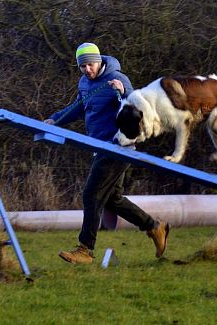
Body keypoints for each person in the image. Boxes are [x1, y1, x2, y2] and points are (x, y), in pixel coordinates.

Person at [44, 42, 170, 264]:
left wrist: (122, 92)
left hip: (118, 146)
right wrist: (56, 119)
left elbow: (137, 106)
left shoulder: (117, 78)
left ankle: (85, 250)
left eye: (90, 65)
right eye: (82, 67)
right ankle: (154, 227)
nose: (87, 70)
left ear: (99, 61)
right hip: (99, 146)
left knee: (91, 194)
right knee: (113, 199)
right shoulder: (84, 82)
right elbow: (79, 107)